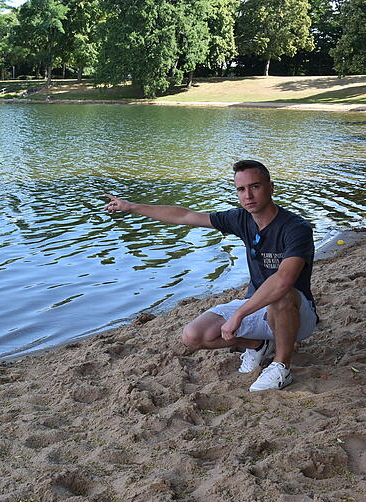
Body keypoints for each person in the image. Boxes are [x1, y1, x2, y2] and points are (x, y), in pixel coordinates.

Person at [105, 160, 317, 391]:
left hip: (297, 314)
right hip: (258, 307)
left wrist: (239, 314)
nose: (248, 195)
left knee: (280, 294)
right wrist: (132, 207)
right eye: (241, 189)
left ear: (271, 187)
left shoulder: (296, 228)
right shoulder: (241, 219)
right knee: (193, 335)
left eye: (255, 186)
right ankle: (257, 345)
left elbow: (284, 279)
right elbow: (185, 216)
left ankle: (281, 367)